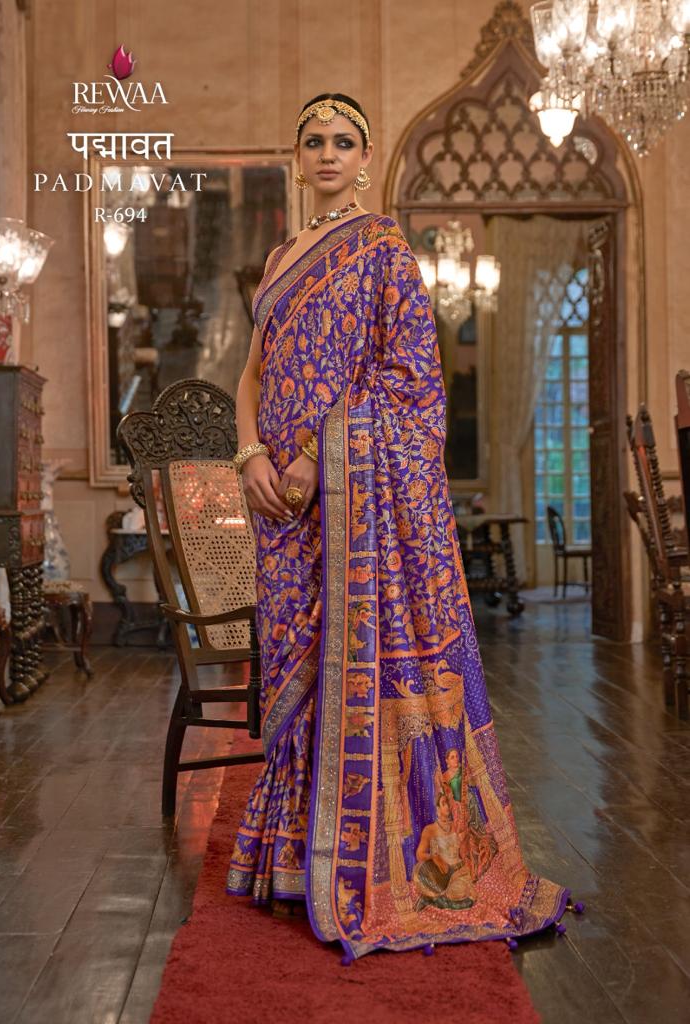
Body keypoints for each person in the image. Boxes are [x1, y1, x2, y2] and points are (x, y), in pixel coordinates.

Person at [226, 92, 575, 962]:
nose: (328, 153)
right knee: (295, 666)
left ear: (366, 156)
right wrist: (251, 454)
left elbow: (412, 381)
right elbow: (252, 373)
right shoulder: (279, 259)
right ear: (297, 157)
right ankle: (292, 855)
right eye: (314, 141)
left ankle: (370, 859)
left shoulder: (384, 251)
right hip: (277, 505)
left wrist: (319, 456)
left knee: (350, 658)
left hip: (349, 499)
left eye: (344, 141)